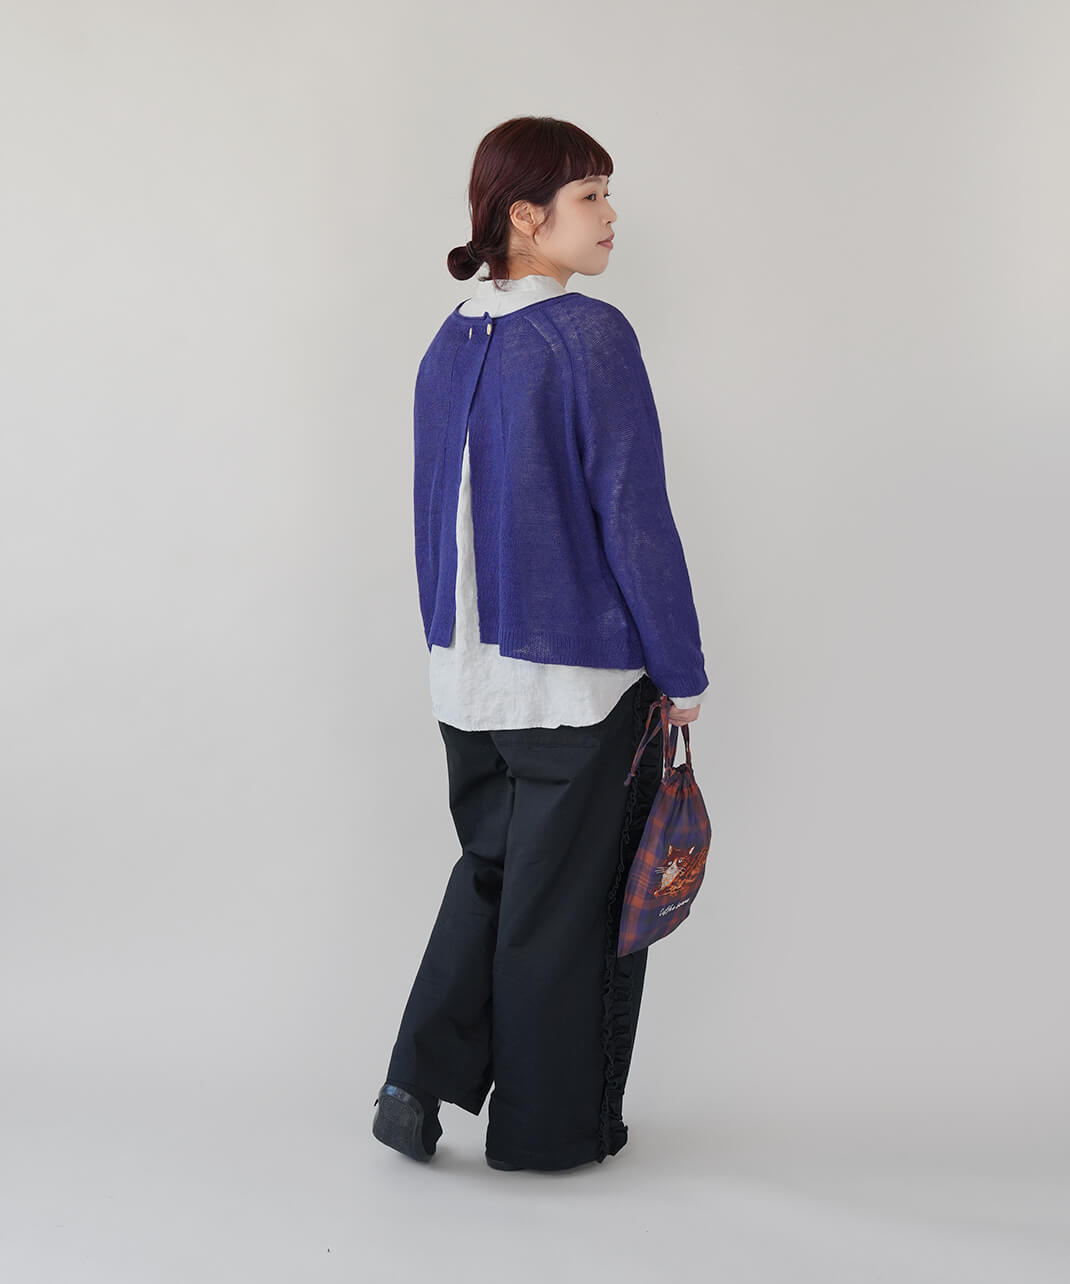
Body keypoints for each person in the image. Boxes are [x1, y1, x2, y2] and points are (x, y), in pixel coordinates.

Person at [373, 115, 709, 1173]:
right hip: (574, 676)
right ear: (525, 217)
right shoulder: (586, 335)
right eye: (589, 196)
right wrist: (681, 668)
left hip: (465, 671)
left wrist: (447, 641)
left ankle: (412, 1084)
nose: (611, 216)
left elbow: (432, 513)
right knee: (563, 910)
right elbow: (633, 514)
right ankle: (546, 1132)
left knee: (491, 871)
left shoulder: (450, 339)